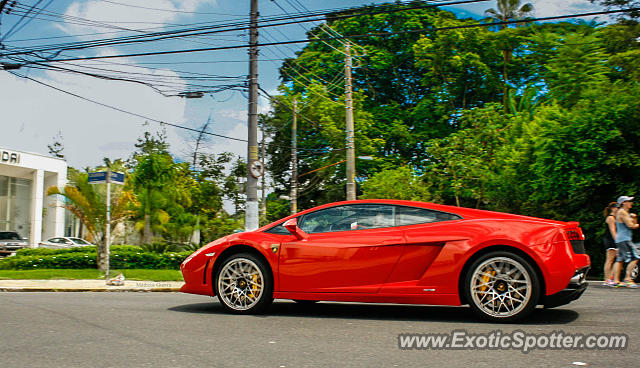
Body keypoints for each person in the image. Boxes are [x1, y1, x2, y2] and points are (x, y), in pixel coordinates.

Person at [612, 196, 640, 288]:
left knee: (620, 259)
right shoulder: (623, 212)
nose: (631, 203)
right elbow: (631, 225)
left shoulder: (624, 213)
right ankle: (628, 279)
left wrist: (634, 219)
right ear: (623, 203)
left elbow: (632, 223)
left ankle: (616, 281)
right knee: (635, 257)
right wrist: (636, 224)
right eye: (629, 201)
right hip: (625, 239)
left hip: (622, 239)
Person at [602, 202, 620, 286]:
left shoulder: (615, 218)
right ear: (613, 208)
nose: (618, 209)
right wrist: (617, 241)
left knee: (617, 259)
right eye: (617, 207)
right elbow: (613, 230)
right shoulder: (611, 218)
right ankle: (607, 279)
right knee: (610, 259)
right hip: (610, 240)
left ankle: (611, 277)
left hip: (612, 240)